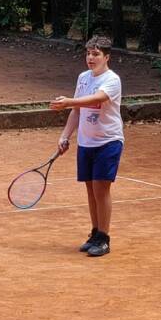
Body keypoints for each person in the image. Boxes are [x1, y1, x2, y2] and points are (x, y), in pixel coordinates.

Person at [49, 34, 124, 258]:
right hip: (86, 142)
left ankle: (104, 238)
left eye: (96, 54)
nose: (91, 58)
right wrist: (65, 136)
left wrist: (68, 101)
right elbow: (77, 111)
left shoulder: (112, 80)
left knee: (102, 189)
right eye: (88, 53)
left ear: (106, 57)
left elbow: (96, 99)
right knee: (91, 190)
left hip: (108, 141)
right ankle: (95, 234)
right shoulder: (83, 77)